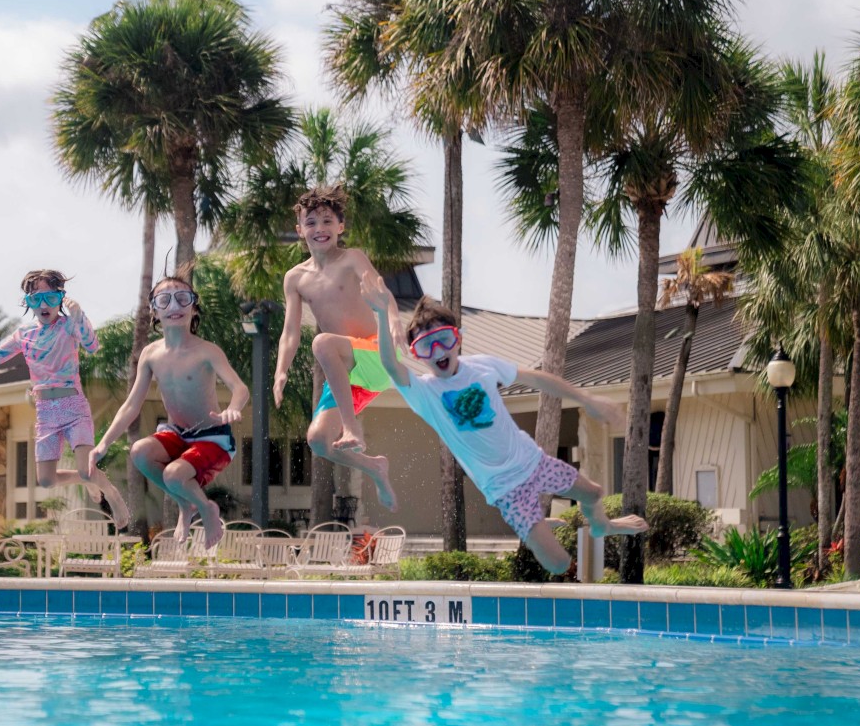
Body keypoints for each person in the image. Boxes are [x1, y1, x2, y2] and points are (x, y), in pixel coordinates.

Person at [361, 273, 648, 575]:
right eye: (426, 347)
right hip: (505, 487)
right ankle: (533, 526)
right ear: (418, 355)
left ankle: (601, 526)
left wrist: (586, 398)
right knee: (559, 563)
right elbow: (391, 366)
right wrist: (381, 314)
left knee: (593, 493)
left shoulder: (483, 366)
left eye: (443, 340)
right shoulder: (424, 393)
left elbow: (536, 378)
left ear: (457, 338)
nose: (438, 352)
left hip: (532, 460)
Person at [0, 269, 129, 527]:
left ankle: (112, 494)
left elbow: (92, 346)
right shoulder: (24, 335)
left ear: (61, 299)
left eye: (50, 298)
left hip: (73, 406)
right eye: (36, 299)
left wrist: (80, 315)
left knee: (86, 468)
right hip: (45, 411)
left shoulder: (69, 325)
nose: (43, 305)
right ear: (28, 303)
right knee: (46, 480)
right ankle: (86, 478)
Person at [90, 268, 249, 550]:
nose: (174, 306)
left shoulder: (207, 351)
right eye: (164, 301)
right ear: (155, 313)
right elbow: (131, 405)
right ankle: (185, 505)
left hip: (212, 438)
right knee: (139, 451)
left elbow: (240, 388)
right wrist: (103, 444)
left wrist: (234, 408)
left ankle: (206, 509)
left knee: (174, 475)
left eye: (182, 298)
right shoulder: (151, 354)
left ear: (193, 309)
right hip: (176, 434)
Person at [273, 184, 400, 511]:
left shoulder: (352, 258)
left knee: (323, 342)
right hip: (349, 376)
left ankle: (351, 428)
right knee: (317, 441)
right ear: (299, 230)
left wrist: (396, 323)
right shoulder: (295, 278)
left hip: (376, 356)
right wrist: (281, 371)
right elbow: (289, 332)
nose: (320, 229)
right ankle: (375, 467)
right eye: (311, 222)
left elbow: (384, 296)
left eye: (327, 221)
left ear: (340, 227)